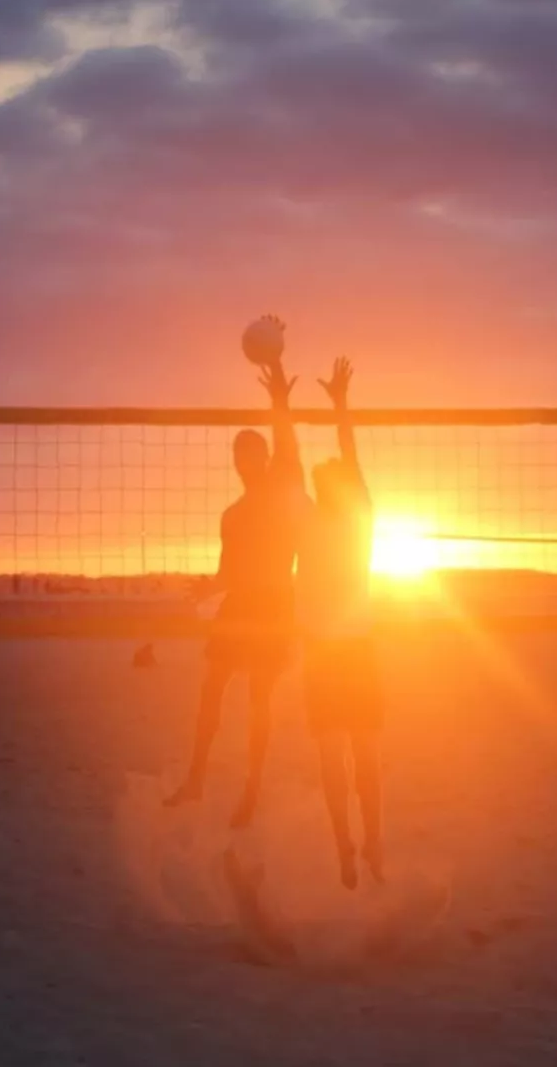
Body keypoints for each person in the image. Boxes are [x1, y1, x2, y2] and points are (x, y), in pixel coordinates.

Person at [164, 319, 305, 828]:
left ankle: (251, 789)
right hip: (240, 602)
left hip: (274, 606)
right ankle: (196, 779)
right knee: (212, 689)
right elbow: (228, 572)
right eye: (239, 455)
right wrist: (208, 587)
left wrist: (278, 382)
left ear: (262, 458)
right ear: (236, 463)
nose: (245, 460)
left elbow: (288, 442)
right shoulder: (232, 515)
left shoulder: (282, 486)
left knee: (259, 702)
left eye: (252, 453)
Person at [298, 357, 385, 888]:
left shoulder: (338, 521)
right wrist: (339, 405)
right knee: (354, 757)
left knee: (347, 758)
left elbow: (347, 460)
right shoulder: (350, 519)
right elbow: (349, 461)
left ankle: (356, 847)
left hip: (339, 652)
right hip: (343, 651)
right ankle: (361, 846)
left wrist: (339, 405)